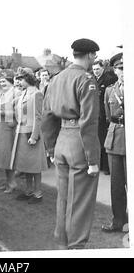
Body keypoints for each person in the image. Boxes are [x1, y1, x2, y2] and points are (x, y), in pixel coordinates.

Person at [42, 38, 101, 249]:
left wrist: (50, 147)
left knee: (63, 196)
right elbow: (89, 122)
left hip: (61, 141)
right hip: (79, 141)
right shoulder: (87, 79)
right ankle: (76, 246)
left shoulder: (57, 79)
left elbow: (47, 116)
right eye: (95, 56)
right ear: (91, 55)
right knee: (80, 200)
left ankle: (62, 240)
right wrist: (92, 158)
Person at [10, 67, 47, 203]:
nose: (19, 82)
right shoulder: (24, 93)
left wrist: (34, 136)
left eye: (21, 79)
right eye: (18, 79)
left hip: (31, 134)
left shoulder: (36, 94)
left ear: (28, 79)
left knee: (35, 166)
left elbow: (38, 117)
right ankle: (29, 191)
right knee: (26, 165)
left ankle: (38, 193)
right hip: (21, 132)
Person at [101, 52, 128, 233]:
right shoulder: (110, 90)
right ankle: (118, 221)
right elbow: (107, 115)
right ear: (115, 70)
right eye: (120, 68)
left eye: (127, 68)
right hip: (115, 137)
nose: (124, 71)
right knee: (116, 185)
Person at [0, 69, 17, 193]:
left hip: (8, 127)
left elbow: (17, 112)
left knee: (8, 155)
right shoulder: (2, 93)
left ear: (10, 80)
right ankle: (8, 181)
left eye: (4, 81)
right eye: (1, 81)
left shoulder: (16, 93)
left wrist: (0, 112)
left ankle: (12, 183)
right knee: (2, 156)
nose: (2, 83)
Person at [92, 60, 118, 174]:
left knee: (105, 140)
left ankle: (107, 167)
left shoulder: (108, 79)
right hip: (96, 114)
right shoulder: (93, 79)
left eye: (97, 69)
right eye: (94, 69)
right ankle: (102, 166)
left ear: (102, 68)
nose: (95, 71)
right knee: (98, 140)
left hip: (105, 115)